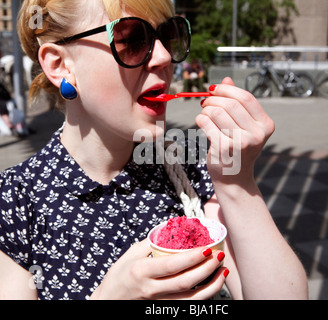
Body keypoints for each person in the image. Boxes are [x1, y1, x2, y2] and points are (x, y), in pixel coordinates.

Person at [0, 0, 308, 300]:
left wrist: (237, 181)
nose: (163, 56)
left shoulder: (190, 170)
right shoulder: (15, 202)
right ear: (61, 65)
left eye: (168, 35)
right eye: (132, 39)